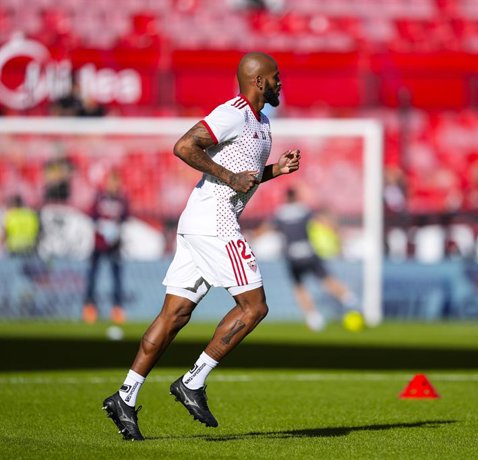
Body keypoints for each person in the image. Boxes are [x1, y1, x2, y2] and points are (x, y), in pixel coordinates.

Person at [102, 52, 301, 441]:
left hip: (199, 221)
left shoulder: (261, 122)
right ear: (258, 81)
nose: (281, 83)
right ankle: (193, 381)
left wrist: (275, 171)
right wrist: (227, 175)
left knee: (174, 314)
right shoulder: (234, 112)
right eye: (276, 78)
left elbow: (245, 175)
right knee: (255, 307)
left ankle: (125, 396)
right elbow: (185, 147)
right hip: (215, 222)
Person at [271, 187, 359, 331]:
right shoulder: (304, 210)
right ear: (297, 196)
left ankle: (313, 318)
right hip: (308, 252)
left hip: (292, 256)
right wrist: (336, 231)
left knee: (299, 287)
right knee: (326, 279)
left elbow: (268, 228)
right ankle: (350, 300)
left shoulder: (280, 213)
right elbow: (321, 221)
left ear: (286, 197)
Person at [82, 171, 130, 325]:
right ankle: (89, 308)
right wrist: (102, 226)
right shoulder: (99, 197)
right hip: (99, 243)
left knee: (116, 277)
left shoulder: (122, 200)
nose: (113, 186)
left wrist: (116, 229)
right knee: (92, 276)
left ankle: (117, 309)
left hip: (114, 244)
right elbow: (92, 215)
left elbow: (125, 217)